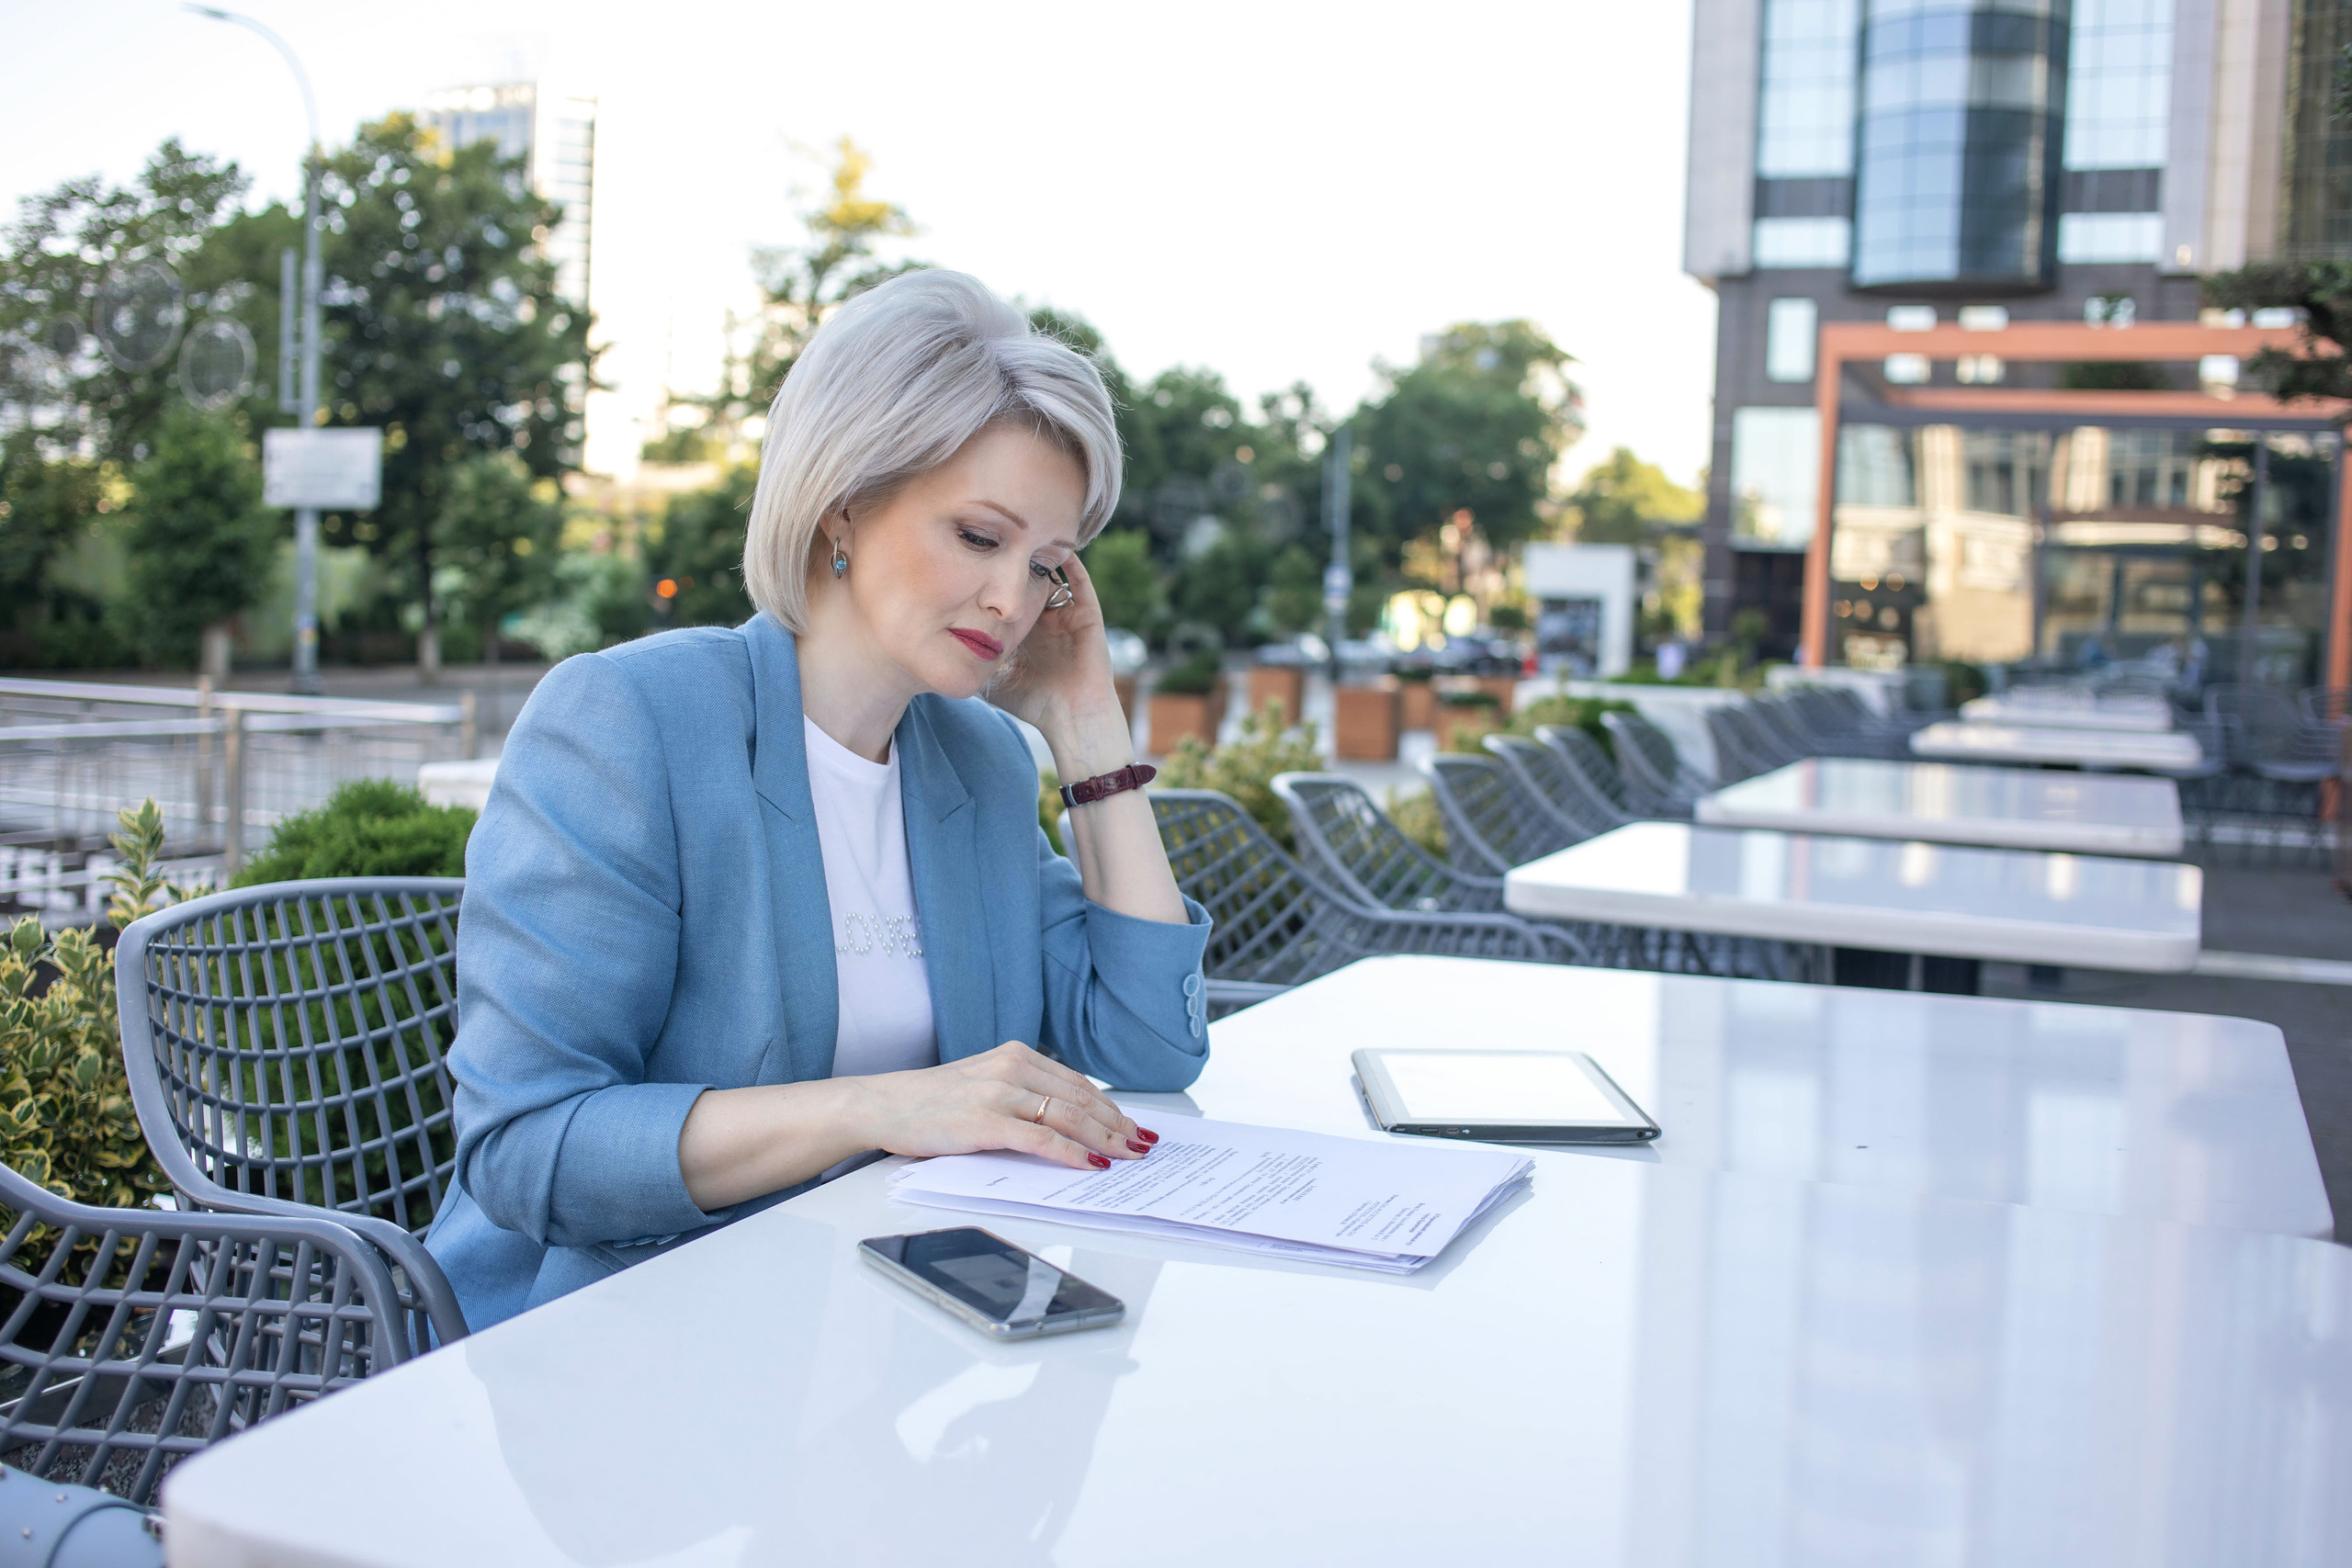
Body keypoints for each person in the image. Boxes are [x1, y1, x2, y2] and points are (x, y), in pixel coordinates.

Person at [425, 271, 1213, 1330]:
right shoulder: (629, 720)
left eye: (1048, 567)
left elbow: (1147, 1041)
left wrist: (1085, 724)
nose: (1012, 599)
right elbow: (531, 1150)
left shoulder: (973, 760)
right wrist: (881, 1111)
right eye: (979, 538)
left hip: (875, 1333)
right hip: (609, 1343)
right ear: (844, 503)